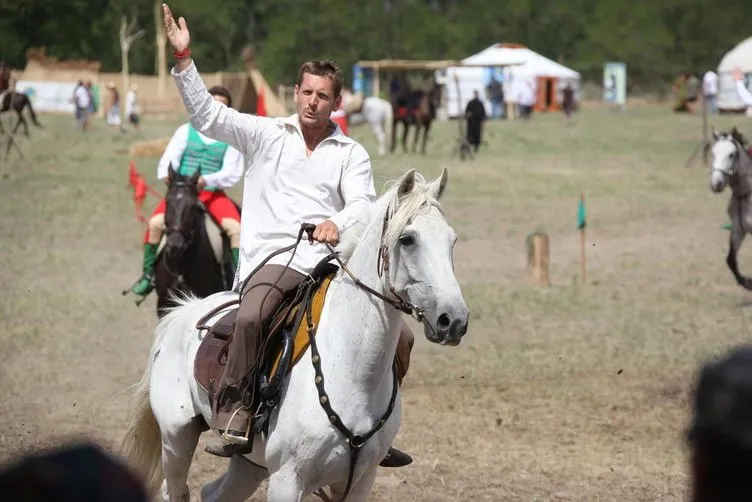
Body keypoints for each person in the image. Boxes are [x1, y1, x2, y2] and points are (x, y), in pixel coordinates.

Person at [161, 3, 414, 467]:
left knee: (400, 336)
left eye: (323, 95)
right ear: (296, 93)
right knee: (255, 314)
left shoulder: (350, 153)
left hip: (331, 263)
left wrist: (339, 223)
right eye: (306, 92)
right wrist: (184, 59)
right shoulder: (265, 134)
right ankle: (236, 409)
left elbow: (362, 203)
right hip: (273, 258)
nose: (312, 101)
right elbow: (206, 118)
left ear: (337, 102)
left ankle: (378, 424)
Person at [129, 85, 244, 297]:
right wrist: (168, 176)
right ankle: (147, 276)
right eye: (212, 104)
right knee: (155, 224)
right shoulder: (185, 130)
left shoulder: (232, 138)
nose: (216, 110)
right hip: (181, 193)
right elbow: (168, 161)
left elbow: (233, 172)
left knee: (235, 229)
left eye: (222, 107)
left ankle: (240, 283)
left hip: (212, 194)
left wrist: (206, 179)